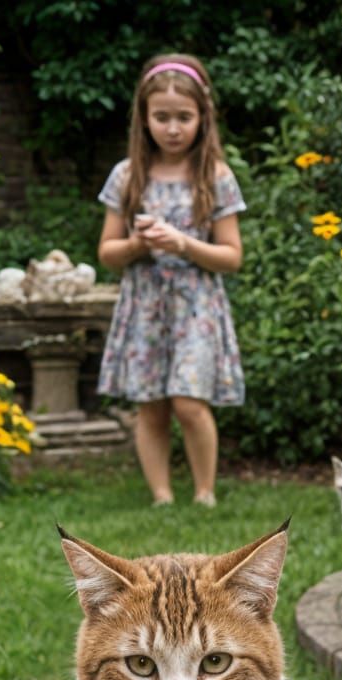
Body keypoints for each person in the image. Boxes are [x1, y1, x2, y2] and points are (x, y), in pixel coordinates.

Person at [96, 53, 245, 508]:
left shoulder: (215, 176)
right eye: (162, 117)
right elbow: (107, 252)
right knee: (150, 403)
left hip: (195, 305)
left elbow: (231, 256)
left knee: (188, 401)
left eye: (184, 117)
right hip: (144, 304)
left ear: (203, 118)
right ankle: (161, 496)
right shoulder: (127, 176)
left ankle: (204, 494)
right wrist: (139, 246)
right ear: (143, 119)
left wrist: (183, 244)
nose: (173, 128)